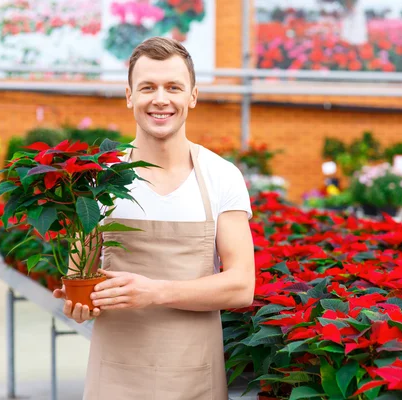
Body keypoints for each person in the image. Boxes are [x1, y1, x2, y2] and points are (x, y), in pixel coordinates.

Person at [52, 37, 256, 400]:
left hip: (196, 378)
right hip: (114, 378)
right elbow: (78, 274)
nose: (160, 99)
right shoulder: (98, 177)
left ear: (192, 96)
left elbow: (242, 286)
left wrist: (155, 291)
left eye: (173, 87)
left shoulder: (221, 176)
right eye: (147, 87)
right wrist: (78, 304)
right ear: (129, 95)